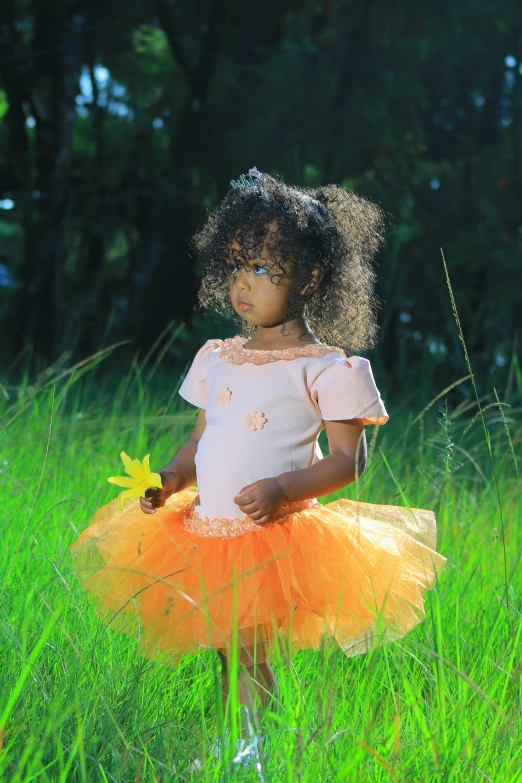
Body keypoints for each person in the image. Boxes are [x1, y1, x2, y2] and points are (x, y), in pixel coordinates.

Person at [70, 169, 446, 736]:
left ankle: (254, 751)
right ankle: (239, 743)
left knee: (250, 650)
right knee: (228, 648)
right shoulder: (218, 356)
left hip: (273, 535)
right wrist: (173, 476)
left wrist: (285, 491)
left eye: (265, 269)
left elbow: (350, 460)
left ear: (312, 278)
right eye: (238, 265)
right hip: (209, 530)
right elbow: (201, 438)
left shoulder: (326, 368)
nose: (244, 283)